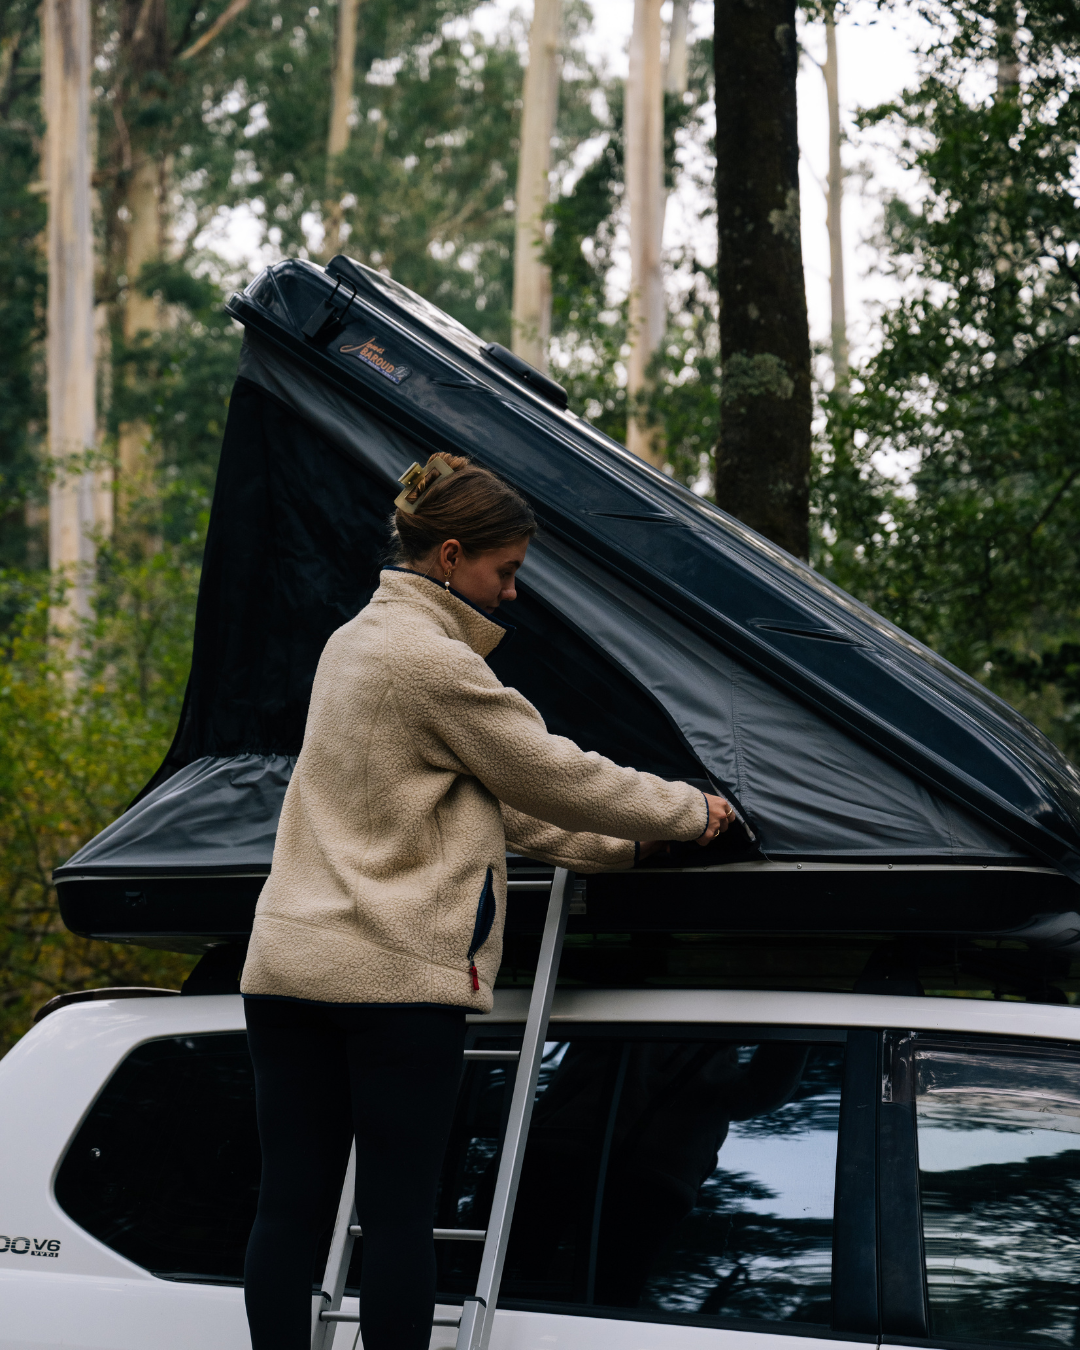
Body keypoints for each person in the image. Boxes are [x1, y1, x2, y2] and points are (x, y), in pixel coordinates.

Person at [239, 452, 735, 1350]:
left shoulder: (347, 645)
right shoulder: (434, 665)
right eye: (504, 572)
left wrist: (625, 847)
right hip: (391, 979)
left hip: (283, 969)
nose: (511, 595)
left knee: (290, 1210)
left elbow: (500, 806)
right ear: (451, 555)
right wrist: (690, 810)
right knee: (396, 1221)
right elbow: (556, 776)